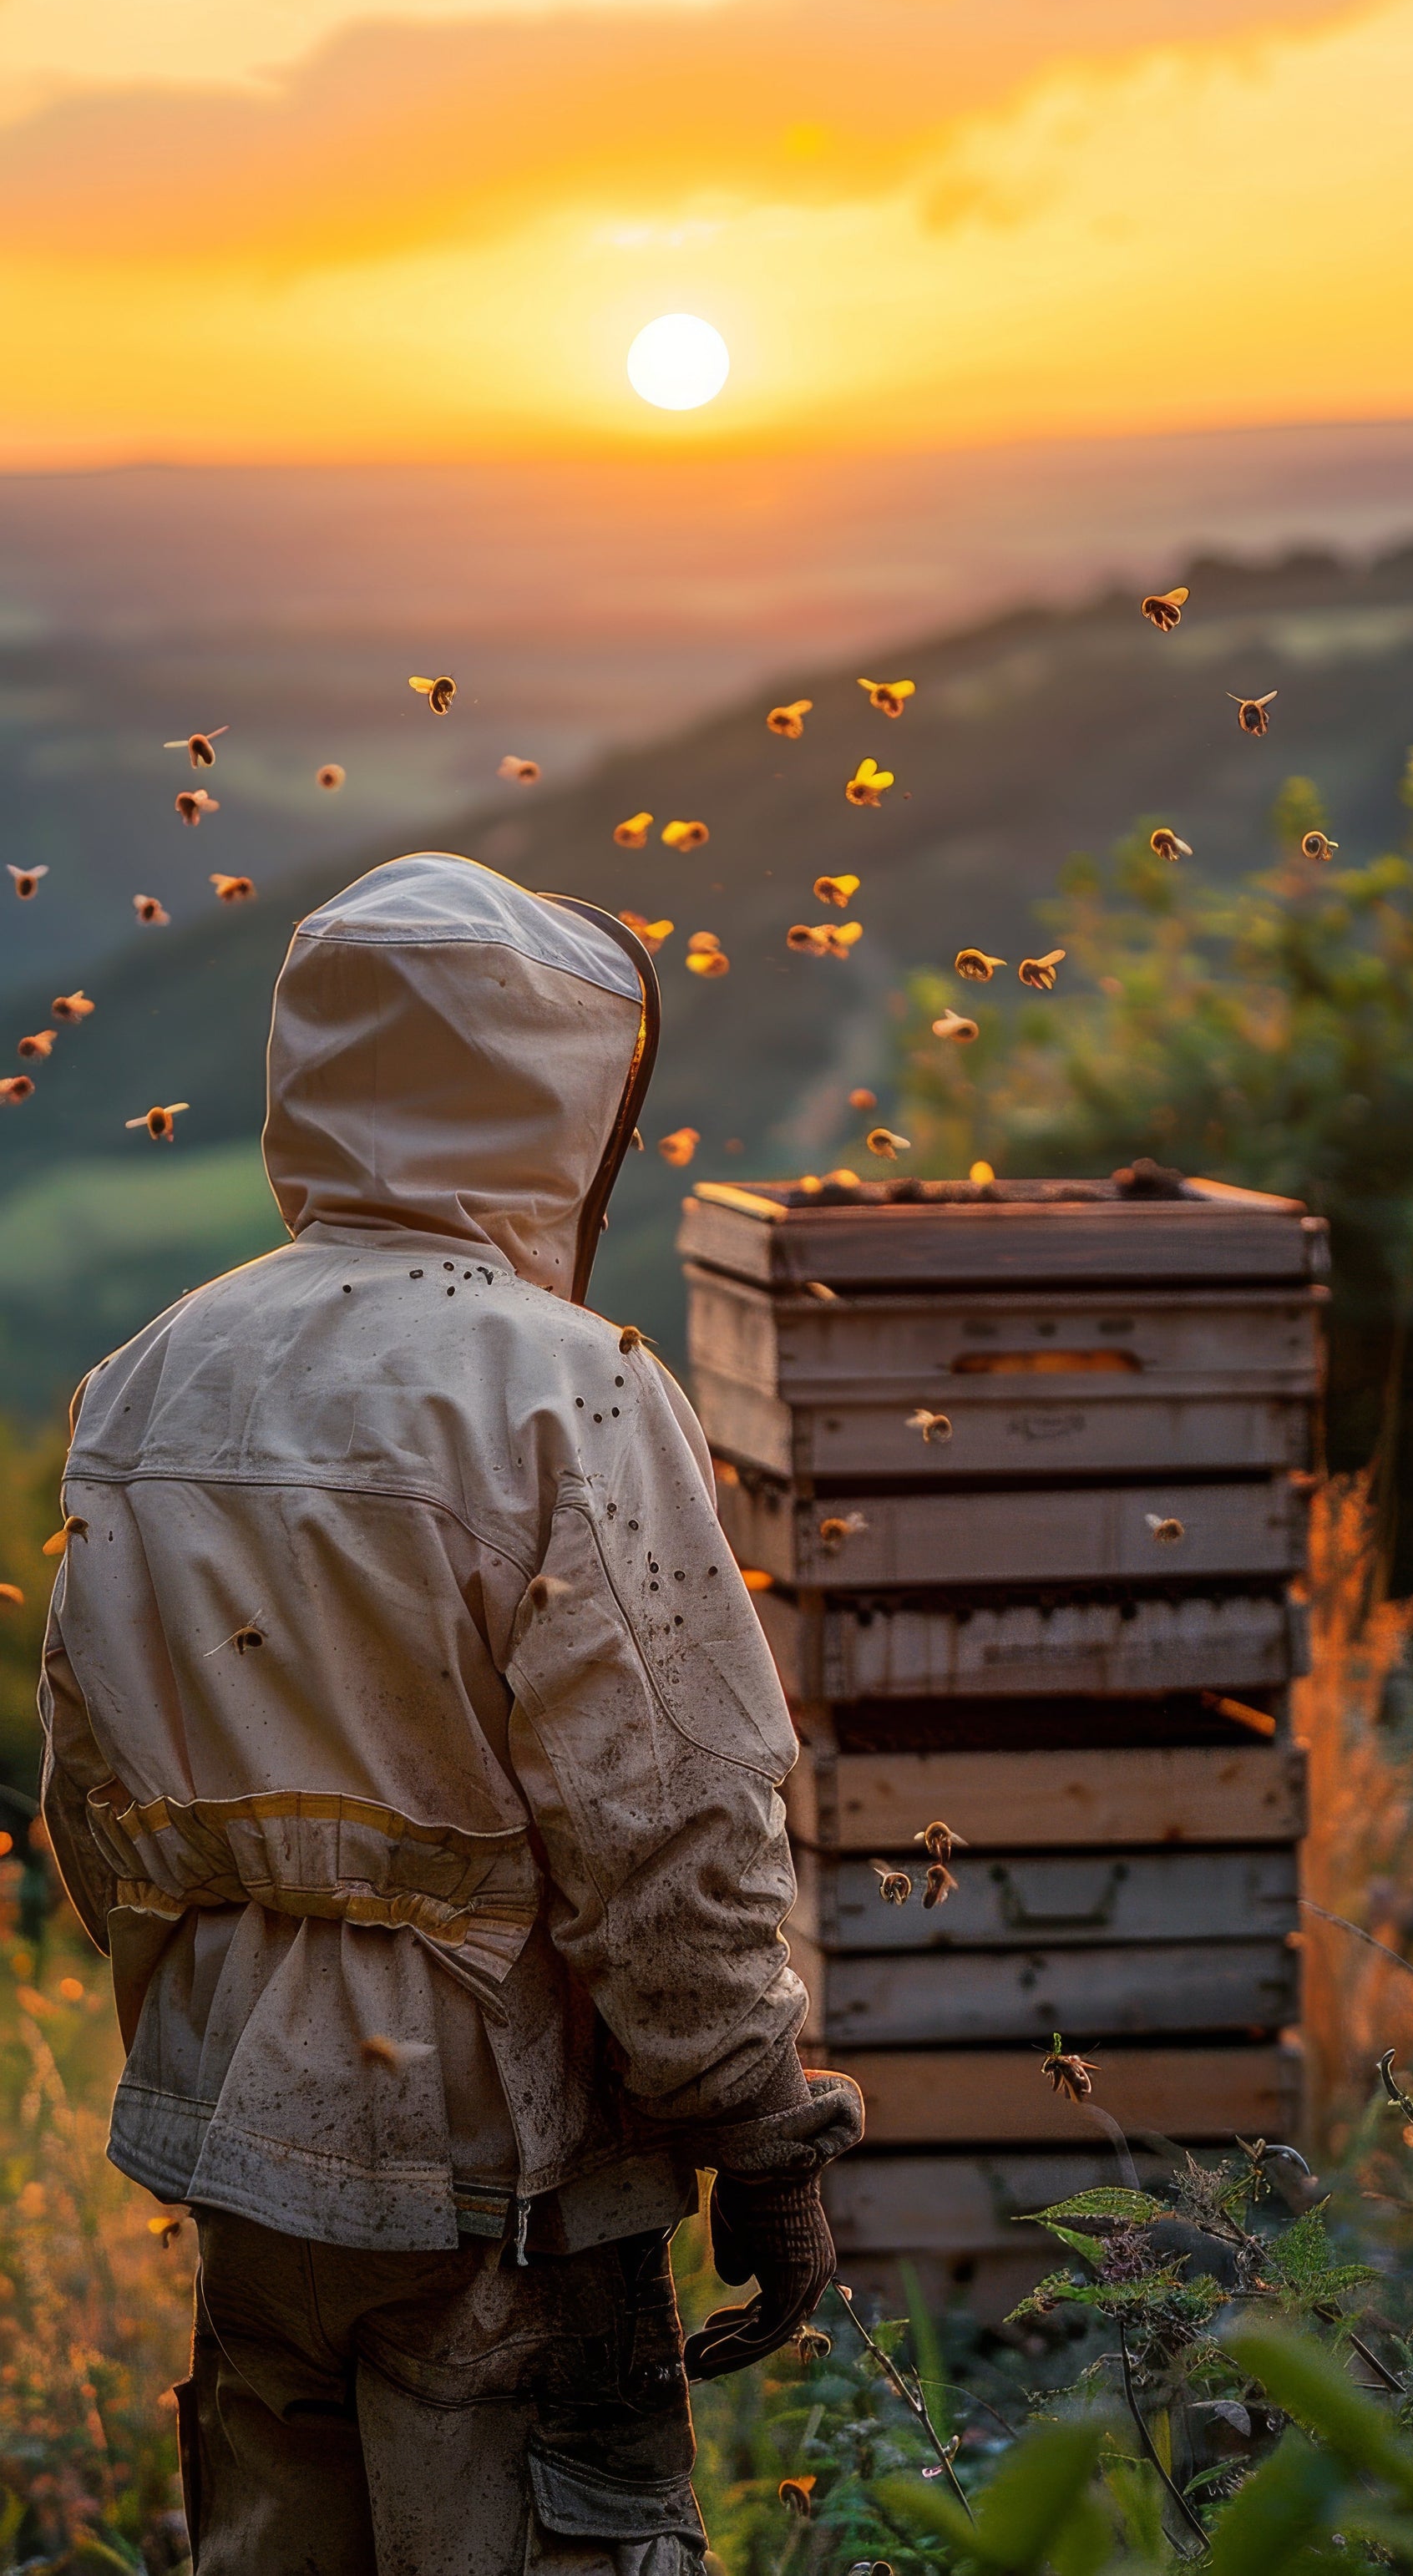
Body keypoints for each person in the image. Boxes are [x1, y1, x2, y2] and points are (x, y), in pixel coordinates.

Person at [38, 854, 862, 2576]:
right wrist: (758, 2125)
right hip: (504, 2176)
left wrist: (244, 2003)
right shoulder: (571, 1387)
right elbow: (670, 1814)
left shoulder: (148, 1375)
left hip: (248, 2147)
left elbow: (89, 1799)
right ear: (552, 1097)